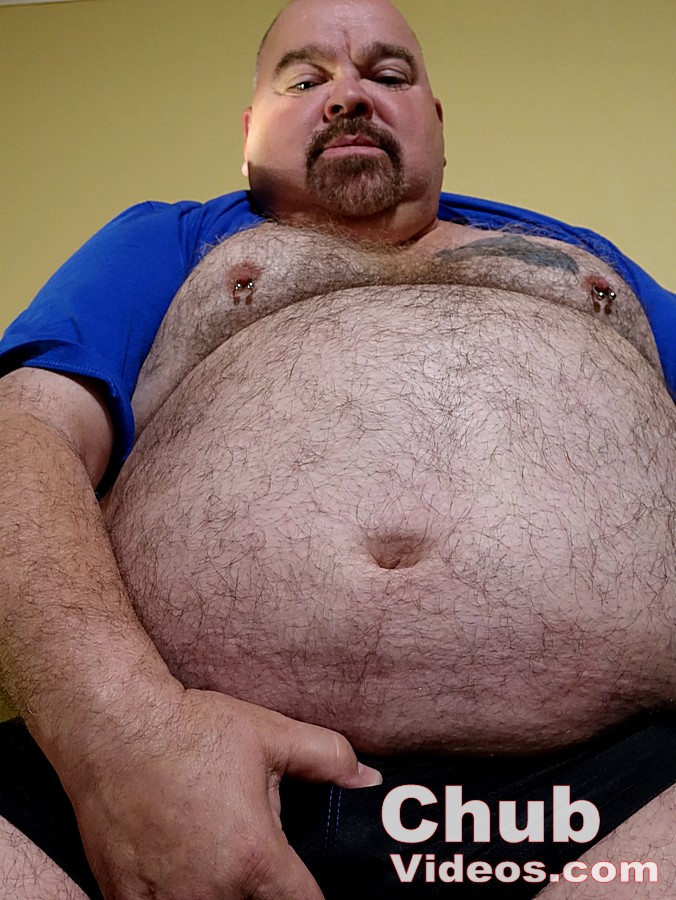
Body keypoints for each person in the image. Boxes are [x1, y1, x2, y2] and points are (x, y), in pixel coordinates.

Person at [0, 0, 674, 898]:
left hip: (621, 783)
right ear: (249, 131)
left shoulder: (585, 260)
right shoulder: (172, 240)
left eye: (388, 76)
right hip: (172, 764)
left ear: (436, 121)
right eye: (306, 80)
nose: (349, 96)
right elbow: (23, 436)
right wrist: (126, 743)